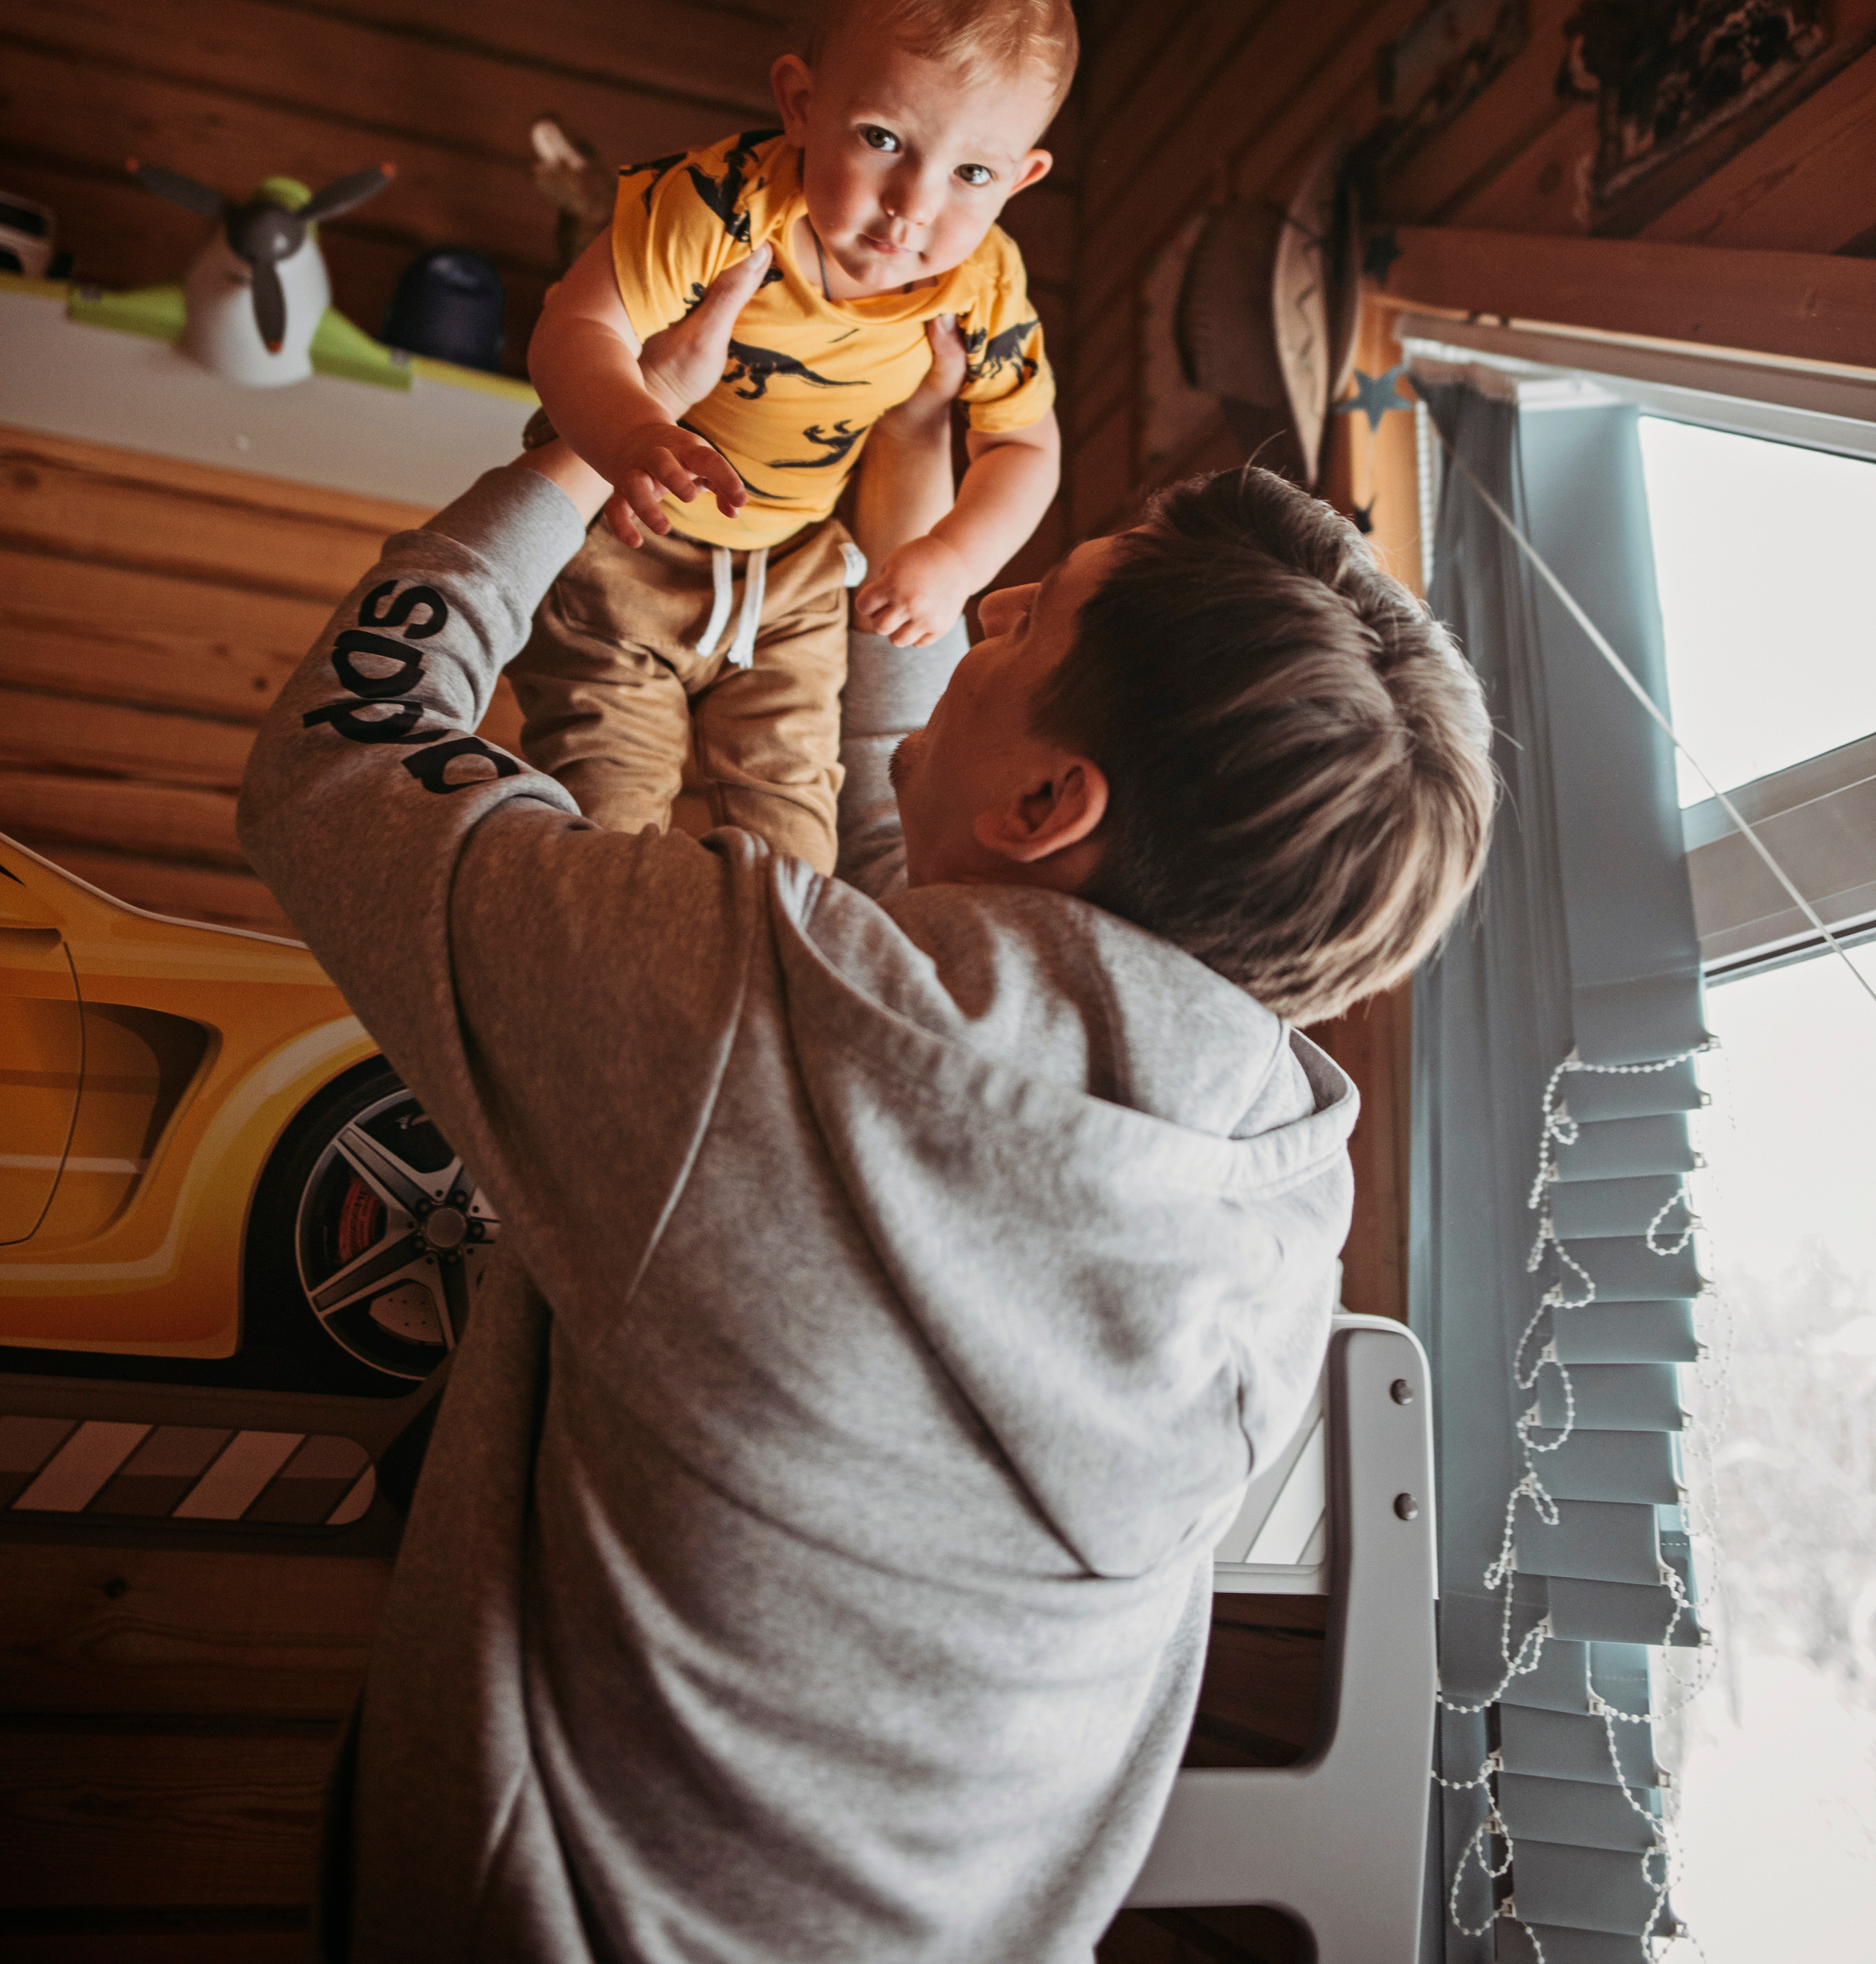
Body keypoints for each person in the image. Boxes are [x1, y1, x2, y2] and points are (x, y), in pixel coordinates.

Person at [238, 329, 1495, 1964]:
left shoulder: (745, 1014)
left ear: (1050, 802)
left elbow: (344, 750)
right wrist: (908, 518)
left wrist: (577, 453)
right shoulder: (1268, 1182)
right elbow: (946, 920)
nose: (988, 604)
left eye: (1028, 615)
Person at [511, 0, 1076, 873]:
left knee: (795, 857)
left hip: (795, 582)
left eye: (973, 173)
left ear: (1022, 177)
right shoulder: (720, 206)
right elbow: (575, 330)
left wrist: (952, 559)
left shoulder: (984, 287)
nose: (913, 205)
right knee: (604, 828)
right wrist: (634, 430)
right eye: (883, 138)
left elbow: (1025, 446)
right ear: (801, 104)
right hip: (631, 544)